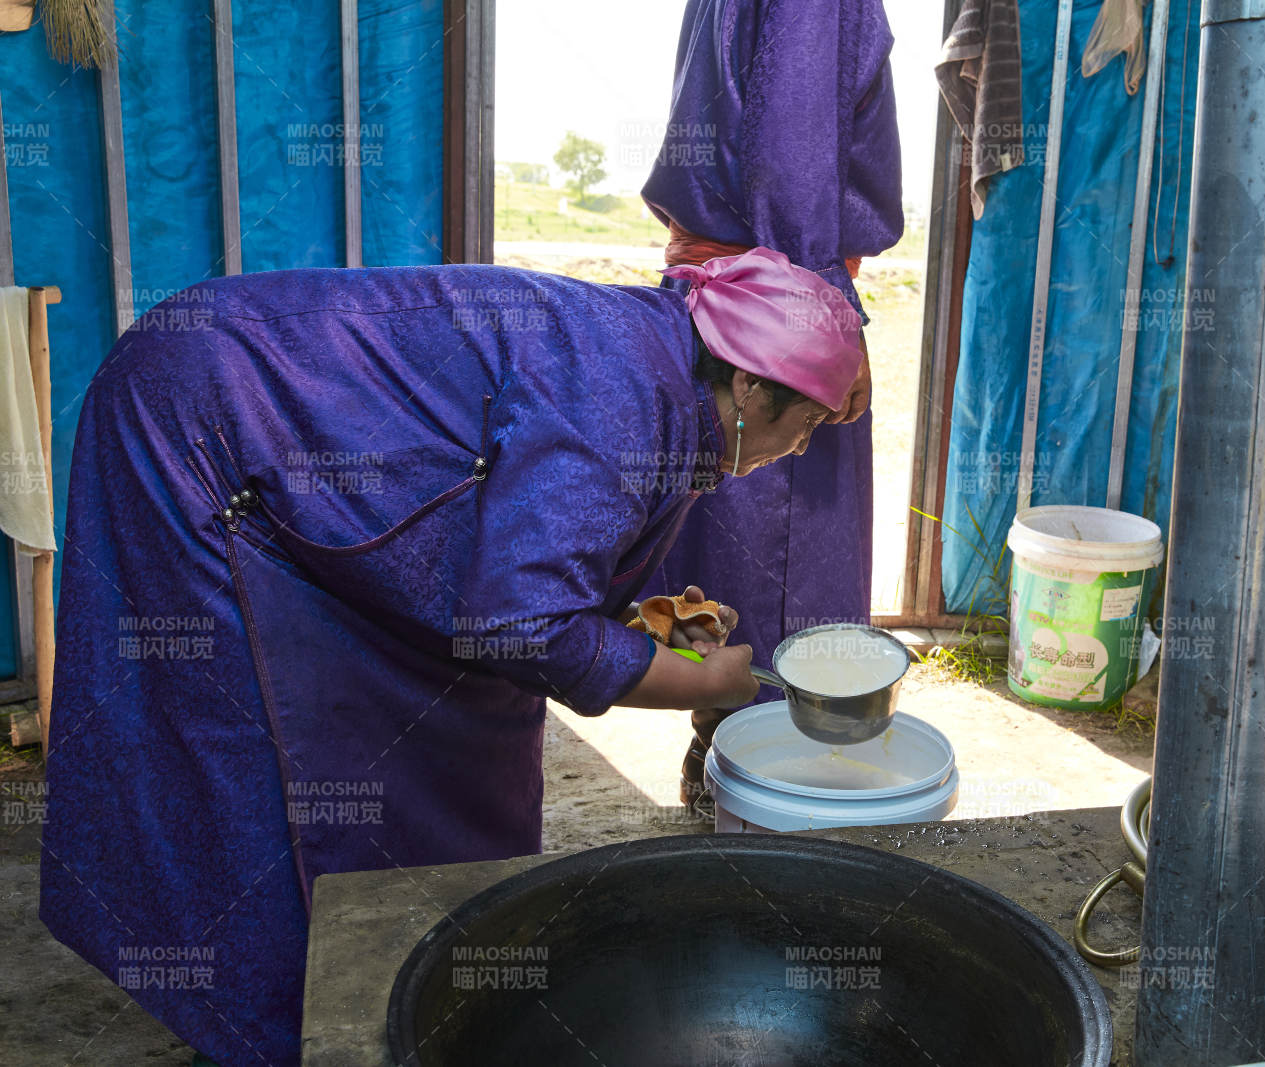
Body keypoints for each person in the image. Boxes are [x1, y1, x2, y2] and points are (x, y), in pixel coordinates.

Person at [39, 248, 861, 1066]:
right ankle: (267, 1031)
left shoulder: (672, 377)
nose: (800, 449)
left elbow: (550, 558)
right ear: (747, 384)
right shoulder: (623, 394)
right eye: (809, 424)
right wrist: (698, 682)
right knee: (257, 752)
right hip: (205, 426)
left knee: (432, 739)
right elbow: (525, 624)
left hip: (274, 439)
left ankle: (383, 984)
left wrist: (646, 627)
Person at [641, 0, 905, 803]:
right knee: (788, 588)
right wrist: (826, 313)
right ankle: (770, 791)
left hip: (731, 299)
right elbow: (791, 152)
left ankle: (719, 755)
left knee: (726, 562)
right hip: (779, 308)